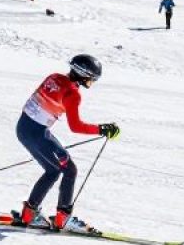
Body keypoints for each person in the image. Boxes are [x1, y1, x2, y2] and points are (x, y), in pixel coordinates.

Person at [13, 54, 120, 232]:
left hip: (25, 128)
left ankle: (29, 214)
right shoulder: (73, 94)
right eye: (92, 78)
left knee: (53, 170)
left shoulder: (54, 77)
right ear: (83, 74)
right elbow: (75, 126)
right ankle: (63, 218)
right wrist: (101, 129)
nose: (92, 82)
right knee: (69, 170)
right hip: (37, 134)